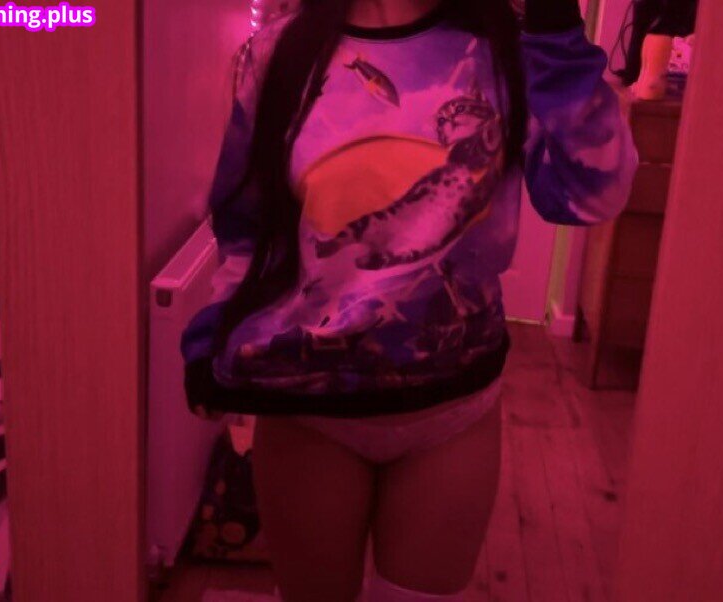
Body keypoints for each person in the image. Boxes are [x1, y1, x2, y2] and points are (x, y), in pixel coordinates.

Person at [180, 0, 638, 599]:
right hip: (308, 410)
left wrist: (557, 39)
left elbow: (591, 196)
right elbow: (245, 231)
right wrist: (212, 338)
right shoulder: (275, 56)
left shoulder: (506, 50)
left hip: (450, 413)